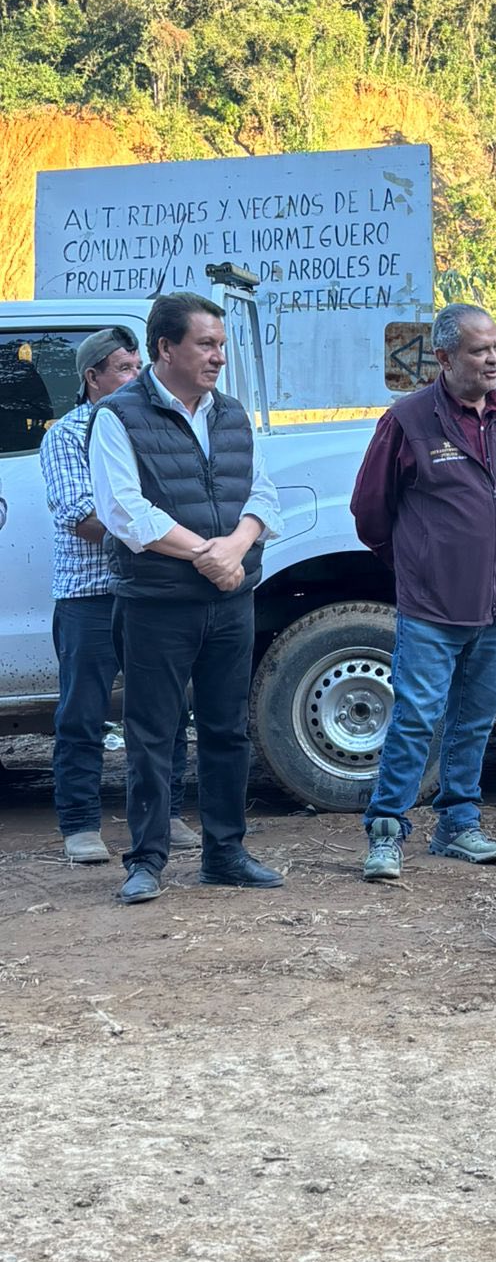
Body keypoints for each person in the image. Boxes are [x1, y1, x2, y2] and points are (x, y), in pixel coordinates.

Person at [89, 293, 283, 905]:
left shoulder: (230, 415)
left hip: (232, 601)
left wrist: (239, 545)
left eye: (222, 345)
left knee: (227, 730)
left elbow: (265, 493)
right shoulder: (119, 416)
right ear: (165, 348)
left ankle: (225, 853)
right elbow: (125, 511)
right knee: (152, 733)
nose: (219, 357)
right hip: (158, 602)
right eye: (206, 344)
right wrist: (209, 552)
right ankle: (146, 860)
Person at [351, 303, 496, 877]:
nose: (493, 360)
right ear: (445, 357)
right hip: (432, 607)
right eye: (480, 351)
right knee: (415, 717)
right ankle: (387, 831)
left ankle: (458, 824)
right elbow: (369, 512)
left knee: (475, 719)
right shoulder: (407, 420)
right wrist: (417, 564)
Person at [41, 327, 197, 865]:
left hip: (152, 591)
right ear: (93, 378)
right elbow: (81, 517)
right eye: (126, 369)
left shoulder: (153, 422)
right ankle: (80, 826)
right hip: (91, 593)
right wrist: (151, 529)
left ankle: (168, 814)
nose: (137, 376)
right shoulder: (66, 434)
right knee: (82, 714)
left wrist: (157, 526)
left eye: (139, 366)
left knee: (167, 712)